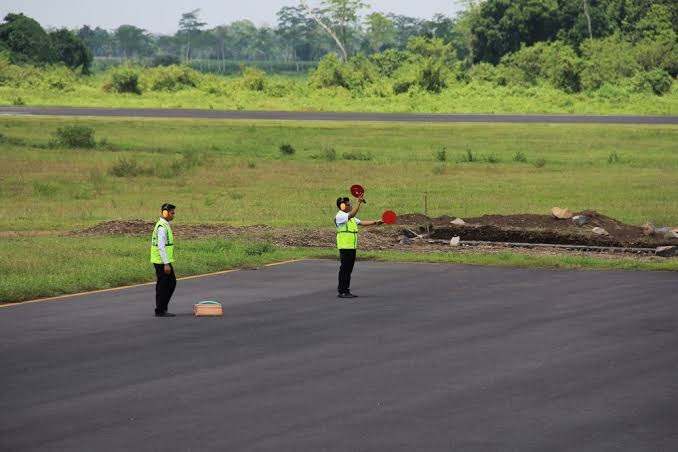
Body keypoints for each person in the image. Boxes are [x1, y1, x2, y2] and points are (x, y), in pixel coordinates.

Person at [335, 195, 383, 298]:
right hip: (345, 247)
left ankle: (345, 290)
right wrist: (359, 202)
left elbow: (361, 222)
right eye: (348, 204)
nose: (350, 206)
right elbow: (352, 214)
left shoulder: (350, 217)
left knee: (348, 270)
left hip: (351, 247)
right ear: (342, 206)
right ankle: (342, 291)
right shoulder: (341, 216)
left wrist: (375, 222)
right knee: (345, 269)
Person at [151, 203, 177, 317]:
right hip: (161, 261)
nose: (173, 215)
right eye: (172, 213)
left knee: (167, 284)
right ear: (165, 213)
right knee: (166, 284)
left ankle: (162, 308)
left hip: (162, 260)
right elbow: (161, 247)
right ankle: (160, 309)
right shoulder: (162, 227)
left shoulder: (164, 224)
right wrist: (166, 263)